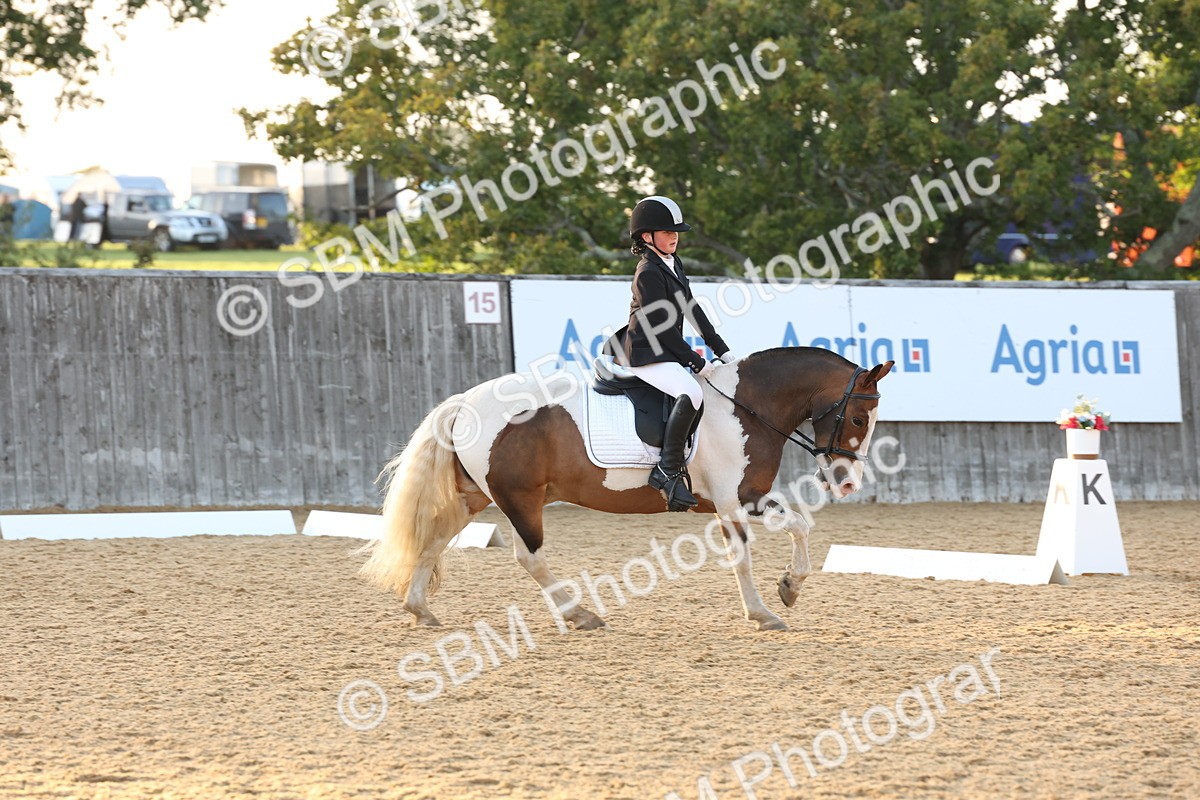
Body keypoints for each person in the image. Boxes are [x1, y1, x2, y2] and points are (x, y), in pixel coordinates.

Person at [613, 196, 735, 512]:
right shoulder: (647, 273)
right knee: (691, 391)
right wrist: (694, 359)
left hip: (664, 349)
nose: (674, 236)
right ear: (645, 237)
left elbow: (690, 308)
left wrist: (721, 349)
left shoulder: (672, 262)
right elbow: (662, 329)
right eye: (666, 231)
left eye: (676, 231)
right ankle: (667, 470)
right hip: (644, 352)